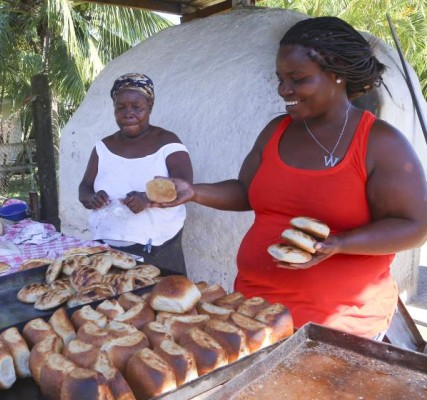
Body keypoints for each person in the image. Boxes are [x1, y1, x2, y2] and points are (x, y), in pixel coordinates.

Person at [155, 17, 427, 339]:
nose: (284, 90)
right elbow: (246, 190)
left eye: (297, 79)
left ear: (337, 74)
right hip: (254, 312)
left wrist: (339, 244)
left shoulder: (380, 143)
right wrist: (194, 192)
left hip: (339, 326)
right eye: (281, 78)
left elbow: (414, 226)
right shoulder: (276, 131)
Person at [79, 73, 193, 275]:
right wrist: (92, 198)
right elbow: (84, 188)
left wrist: (146, 199)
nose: (128, 113)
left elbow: (184, 187)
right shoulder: (102, 147)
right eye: (120, 108)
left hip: (158, 247)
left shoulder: (168, 143)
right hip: (107, 247)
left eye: (137, 107)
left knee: (163, 300)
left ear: (149, 106)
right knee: (110, 302)